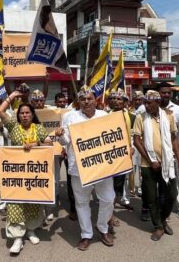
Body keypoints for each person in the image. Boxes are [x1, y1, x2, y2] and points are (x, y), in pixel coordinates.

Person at [56, 87, 115, 250]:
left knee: (109, 198)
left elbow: (115, 135)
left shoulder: (104, 116)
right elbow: (65, 141)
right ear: (78, 101)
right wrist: (60, 134)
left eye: (89, 98)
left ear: (95, 100)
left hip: (103, 166)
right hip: (78, 168)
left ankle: (102, 227)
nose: (86, 101)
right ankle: (86, 234)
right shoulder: (69, 117)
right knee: (81, 202)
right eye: (83, 99)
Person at [0, 91, 51, 254]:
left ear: (32, 114)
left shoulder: (39, 128)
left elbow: (48, 143)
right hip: (15, 174)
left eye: (28, 112)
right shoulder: (13, 126)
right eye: (22, 113)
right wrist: (12, 96)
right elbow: (0, 111)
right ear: (18, 115)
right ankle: (17, 237)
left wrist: (35, 143)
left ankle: (31, 230)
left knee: (33, 202)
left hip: (34, 175)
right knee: (15, 203)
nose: (25, 115)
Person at [133, 90, 179, 241]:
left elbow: (174, 139)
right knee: (151, 197)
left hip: (168, 162)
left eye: (149, 103)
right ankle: (158, 227)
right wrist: (151, 161)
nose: (146, 105)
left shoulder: (169, 116)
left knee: (171, 194)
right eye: (145, 102)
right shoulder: (140, 118)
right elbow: (137, 141)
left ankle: (163, 218)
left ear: (158, 102)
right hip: (148, 165)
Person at [154, 82, 179, 221]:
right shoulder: (147, 107)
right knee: (156, 183)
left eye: (168, 92)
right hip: (153, 154)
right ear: (157, 93)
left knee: (174, 183)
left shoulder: (177, 110)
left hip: (173, 153)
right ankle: (159, 210)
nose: (166, 95)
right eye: (163, 92)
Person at [107, 89, 135, 212]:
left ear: (125, 103)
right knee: (108, 184)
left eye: (119, 99)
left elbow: (134, 135)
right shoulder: (104, 116)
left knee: (120, 182)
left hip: (124, 154)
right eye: (113, 98)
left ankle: (115, 204)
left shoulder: (132, 117)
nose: (115, 101)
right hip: (108, 155)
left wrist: (131, 146)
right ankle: (110, 211)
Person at [53, 92, 77, 220]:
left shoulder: (71, 113)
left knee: (70, 178)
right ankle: (53, 198)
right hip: (55, 149)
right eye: (59, 102)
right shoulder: (50, 112)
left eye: (64, 102)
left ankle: (73, 207)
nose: (62, 104)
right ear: (55, 102)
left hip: (67, 150)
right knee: (54, 175)